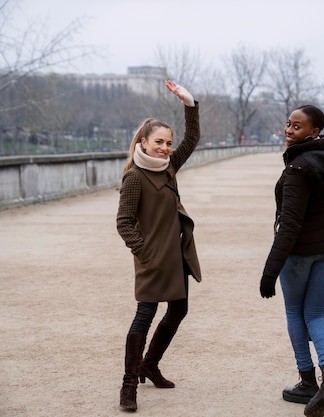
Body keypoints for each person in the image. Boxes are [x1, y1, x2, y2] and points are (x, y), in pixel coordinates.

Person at [259, 104, 324, 417]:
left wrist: (270, 271)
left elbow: (290, 226)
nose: (289, 130)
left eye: (297, 127)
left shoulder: (298, 169)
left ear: (314, 132)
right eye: (288, 123)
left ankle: (307, 382)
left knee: (295, 313)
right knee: (316, 314)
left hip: (299, 255)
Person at [116, 80, 201, 412]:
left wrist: (189, 103)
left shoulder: (169, 168)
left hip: (176, 255)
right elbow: (124, 222)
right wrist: (144, 253)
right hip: (152, 259)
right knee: (145, 314)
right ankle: (128, 386)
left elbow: (192, 138)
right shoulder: (135, 177)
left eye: (168, 143)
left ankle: (150, 365)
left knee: (179, 310)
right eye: (159, 142)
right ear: (143, 143)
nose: (166, 148)